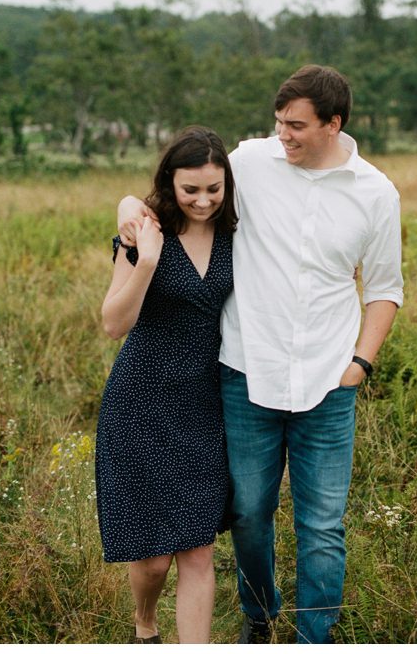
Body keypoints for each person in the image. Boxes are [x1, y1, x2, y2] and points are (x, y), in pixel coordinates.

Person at [119, 65, 402, 644]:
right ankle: (259, 616)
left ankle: (313, 637)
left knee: (321, 526)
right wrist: (128, 205)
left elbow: (384, 289)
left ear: (333, 123)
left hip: (328, 382)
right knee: (248, 516)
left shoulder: (376, 194)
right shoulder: (248, 164)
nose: (284, 135)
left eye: (296, 126)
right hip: (246, 375)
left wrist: (360, 365)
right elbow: (179, 178)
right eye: (278, 123)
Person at [96, 126, 236, 644]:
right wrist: (148, 261)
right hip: (141, 399)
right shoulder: (145, 231)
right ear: (169, 184)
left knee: (198, 549)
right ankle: (145, 626)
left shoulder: (235, 234)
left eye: (214, 189)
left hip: (205, 403)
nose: (203, 200)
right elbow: (113, 322)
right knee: (153, 559)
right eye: (190, 189)